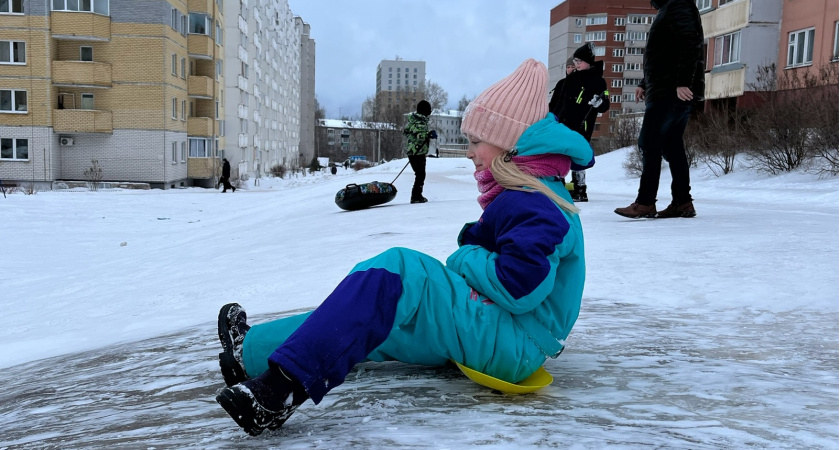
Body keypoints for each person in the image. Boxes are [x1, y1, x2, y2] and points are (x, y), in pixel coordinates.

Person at [213, 59, 594, 437]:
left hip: (515, 341)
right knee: (377, 313)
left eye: (476, 141)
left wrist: (467, 255)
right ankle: (252, 351)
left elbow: (518, 288)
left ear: (510, 144)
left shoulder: (536, 202)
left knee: (399, 270)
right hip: (503, 335)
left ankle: (279, 391)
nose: (469, 152)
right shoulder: (528, 193)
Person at [614, 0, 704, 219]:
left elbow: (690, 43)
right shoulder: (671, 7)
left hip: (670, 91)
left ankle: (645, 202)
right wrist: (645, 83)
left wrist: (683, 82)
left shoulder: (679, 5)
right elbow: (663, 53)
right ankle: (682, 202)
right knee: (672, 146)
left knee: (649, 142)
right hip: (666, 89)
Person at [550, 43, 610, 203]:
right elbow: (559, 102)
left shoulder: (598, 81)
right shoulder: (570, 79)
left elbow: (605, 104)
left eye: (579, 61)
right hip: (562, 124)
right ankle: (559, 187)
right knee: (560, 154)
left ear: (588, 61)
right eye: (574, 61)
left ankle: (580, 188)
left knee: (577, 155)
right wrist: (553, 118)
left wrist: (599, 103)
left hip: (582, 126)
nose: (576, 65)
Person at [403, 100, 437, 204]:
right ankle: (416, 196)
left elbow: (407, 131)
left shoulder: (414, 120)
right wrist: (428, 135)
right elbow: (418, 135)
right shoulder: (420, 121)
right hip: (417, 152)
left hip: (414, 151)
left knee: (419, 174)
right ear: (425, 111)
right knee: (420, 174)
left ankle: (417, 195)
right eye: (429, 110)